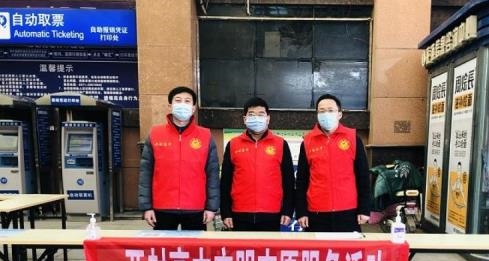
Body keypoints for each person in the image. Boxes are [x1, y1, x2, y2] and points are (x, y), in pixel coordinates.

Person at [138, 86, 219, 231]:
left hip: (196, 208)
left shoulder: (205, 136)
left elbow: (212, 174)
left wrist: (211, 207)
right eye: (178, 100)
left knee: (195, 246)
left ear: (193, 108)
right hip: (162, 207)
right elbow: (146, 173)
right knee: (164, 246)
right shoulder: (155, 134)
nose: (183, 104)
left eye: (187, 101)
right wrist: (146, 207)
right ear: (170, 106)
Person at [295, 93, 370, 232]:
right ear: (317, 114)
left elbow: (363, 177)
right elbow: (301, 180)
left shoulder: (353, 138)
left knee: (347, 246)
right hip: (316, 212)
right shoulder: (307, 141)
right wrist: (301, 211)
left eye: (331, 110)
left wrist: (364, 208)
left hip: (348, 211)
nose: (326, 114)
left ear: (339, 114)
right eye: (322, 111)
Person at [220, 97, 295, 231]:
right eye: (251, 114)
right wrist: (225, 212)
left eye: (261, 114)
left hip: (271, 213)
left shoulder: (280, 144)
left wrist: (288, 210)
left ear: (268, 118)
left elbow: (288, 181)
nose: (256, 118)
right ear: (245, 119)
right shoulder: (233, 144)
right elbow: (225, 182)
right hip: (239, 213)